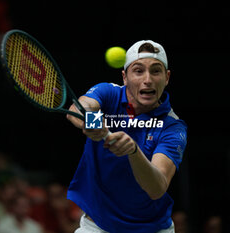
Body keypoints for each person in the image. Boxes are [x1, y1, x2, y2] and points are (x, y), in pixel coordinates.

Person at [66, 40, 188, 232]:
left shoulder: (172, 127)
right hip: (97, 225)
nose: (147, 79)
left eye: (156, 71)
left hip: (152, 228)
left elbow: (157, 188)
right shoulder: (108, 93)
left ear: (167, 77)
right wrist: (93, 122)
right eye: (138, 71)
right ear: (125, 77)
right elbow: (80, 107)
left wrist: (133, 151)